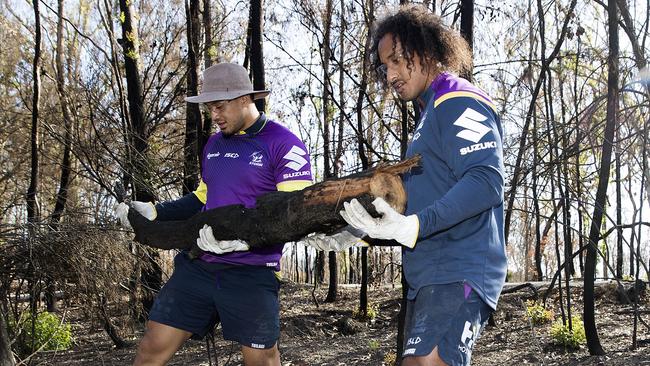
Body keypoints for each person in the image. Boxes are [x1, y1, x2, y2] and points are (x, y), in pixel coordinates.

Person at [116, 62, 320, 366]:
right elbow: (201, 199)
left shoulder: (283, 144)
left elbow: (294, 216)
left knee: (262, 359)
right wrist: (155, 211)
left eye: (220, 106)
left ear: (244, 99)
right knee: (151, 347)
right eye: (210, 108)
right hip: (200, 265)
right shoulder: (213, 145)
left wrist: (246, 242)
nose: (215, 116)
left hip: (252, 272)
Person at [339, 5, 507, 366]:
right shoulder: (428, 115)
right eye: (385, 66)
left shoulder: (457, 100)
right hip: (430, 275)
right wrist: (357, 231)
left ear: (428, 50)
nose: (391, 75)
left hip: (459, 268)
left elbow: (486, 181)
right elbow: (419, 204)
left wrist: (415, 226)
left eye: (398, 60)